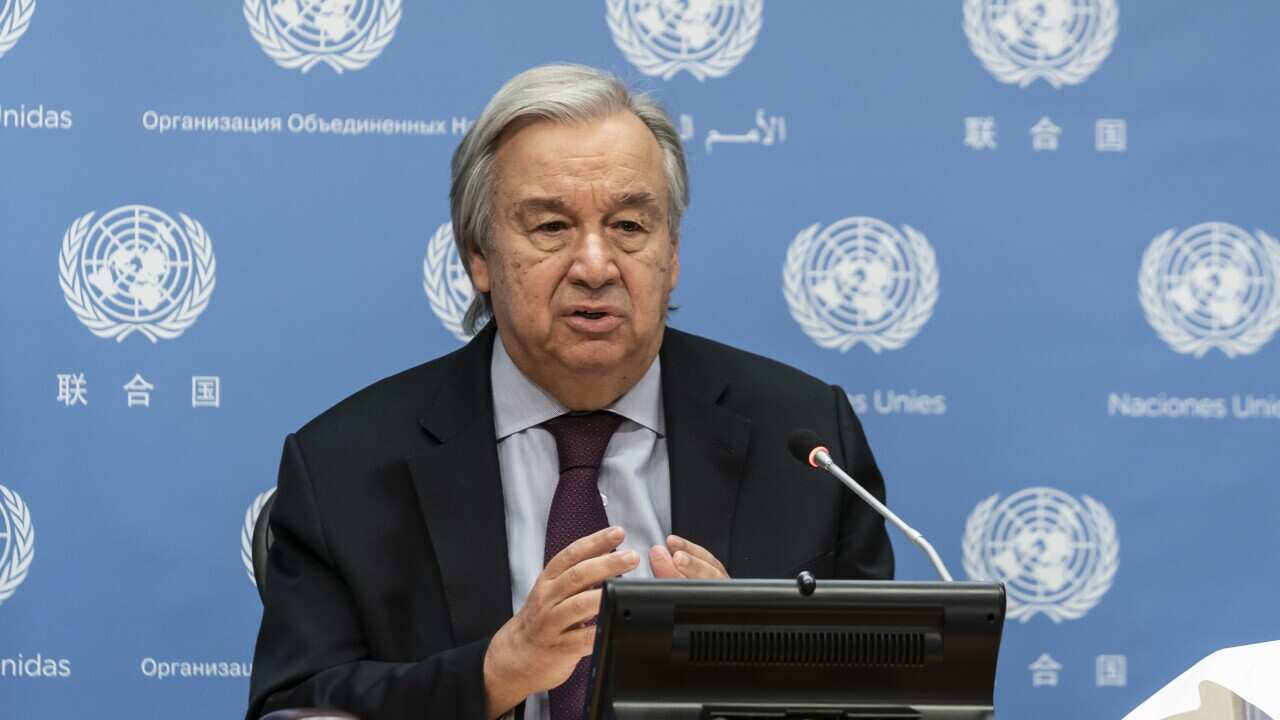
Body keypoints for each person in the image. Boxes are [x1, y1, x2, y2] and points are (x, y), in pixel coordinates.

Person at [246, 63, 893, 720]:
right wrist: (494, 673)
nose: (594, 265)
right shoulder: (345, 468)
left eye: (630, 227)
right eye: (552, 227)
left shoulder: (807, 445)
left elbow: (886, 702)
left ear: (672, 254)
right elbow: (295, 708)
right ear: (479, 255)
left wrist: (752, 663)